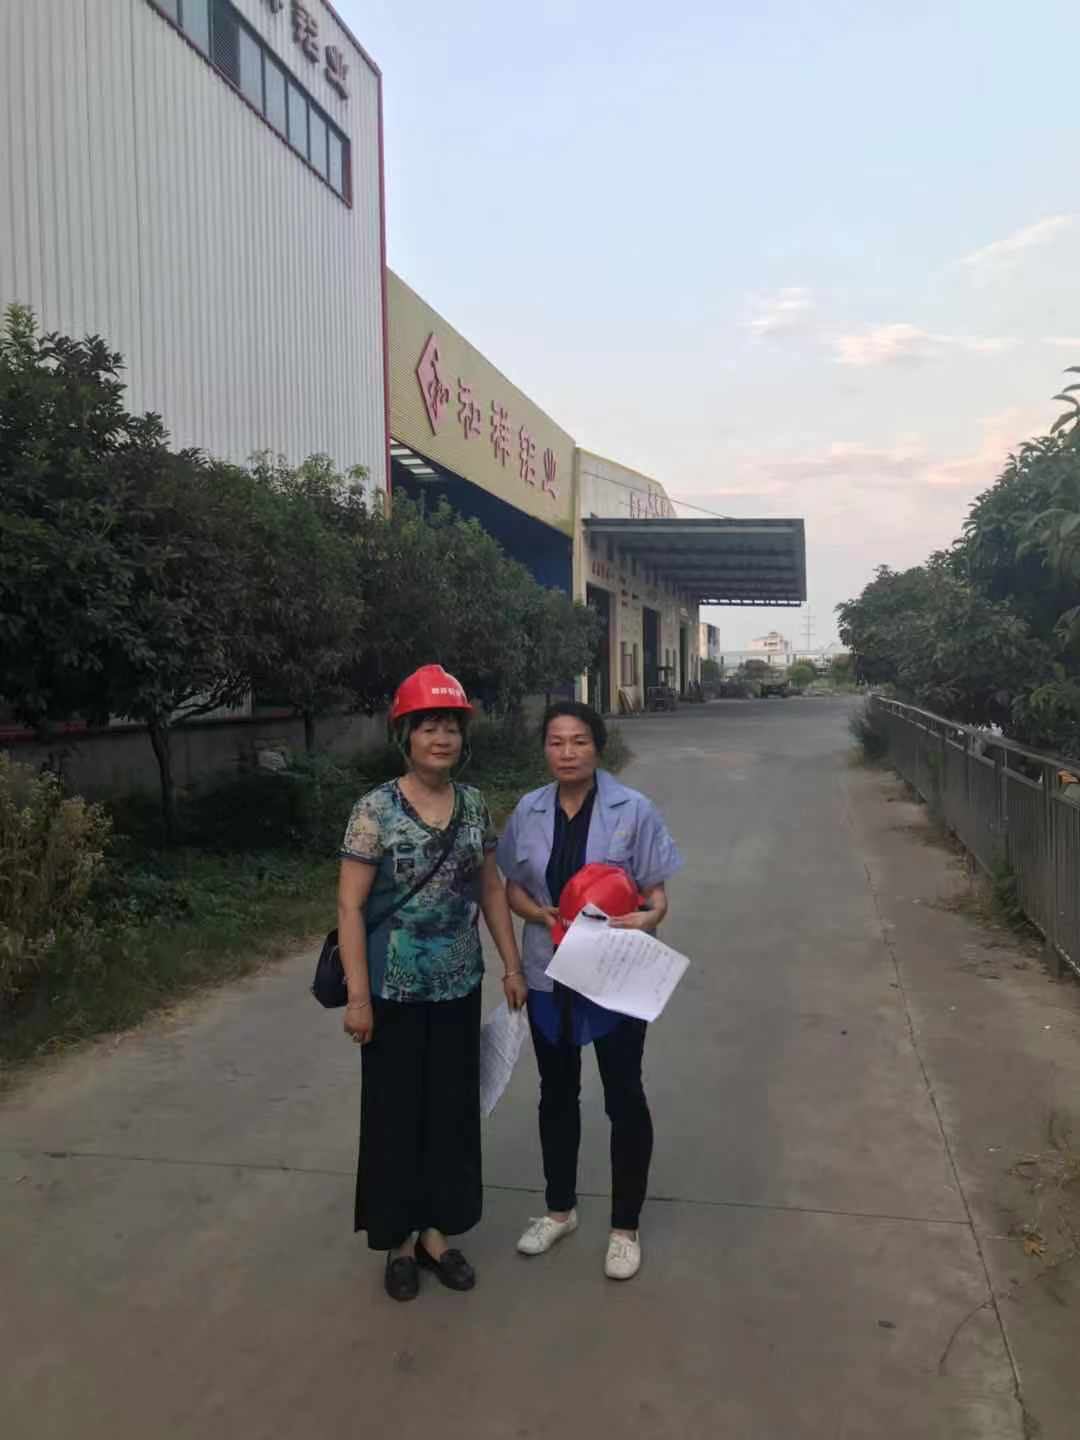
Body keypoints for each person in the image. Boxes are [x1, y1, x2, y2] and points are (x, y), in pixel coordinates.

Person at [337, 664, 527, 1302]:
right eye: (428, 727)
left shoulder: (473, 805)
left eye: (450, 727)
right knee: (395, 1117)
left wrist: (511, 965)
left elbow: (491, 889)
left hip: (457, 989)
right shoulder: (374, 810)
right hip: (391, 994)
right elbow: (350, 907)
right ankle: (398, 1241)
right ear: (406, 736)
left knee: (450, 1113)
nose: (441, 738)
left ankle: (435, 1236)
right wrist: (358, 998)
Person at [497, 700, 682, 1281]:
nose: (567, 752)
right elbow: (512, 889)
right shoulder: (528, 810)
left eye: (579, 741)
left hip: (616, 974)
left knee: (624, 1093)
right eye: (556, 742)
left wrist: (649, 918)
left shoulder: (634, 808)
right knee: (556, 1093)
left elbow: (656, 895)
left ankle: (625, 1228)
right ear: (544, 749)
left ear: (598, 746)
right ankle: (559, 1210)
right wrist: (538, 913)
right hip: (550, 971)